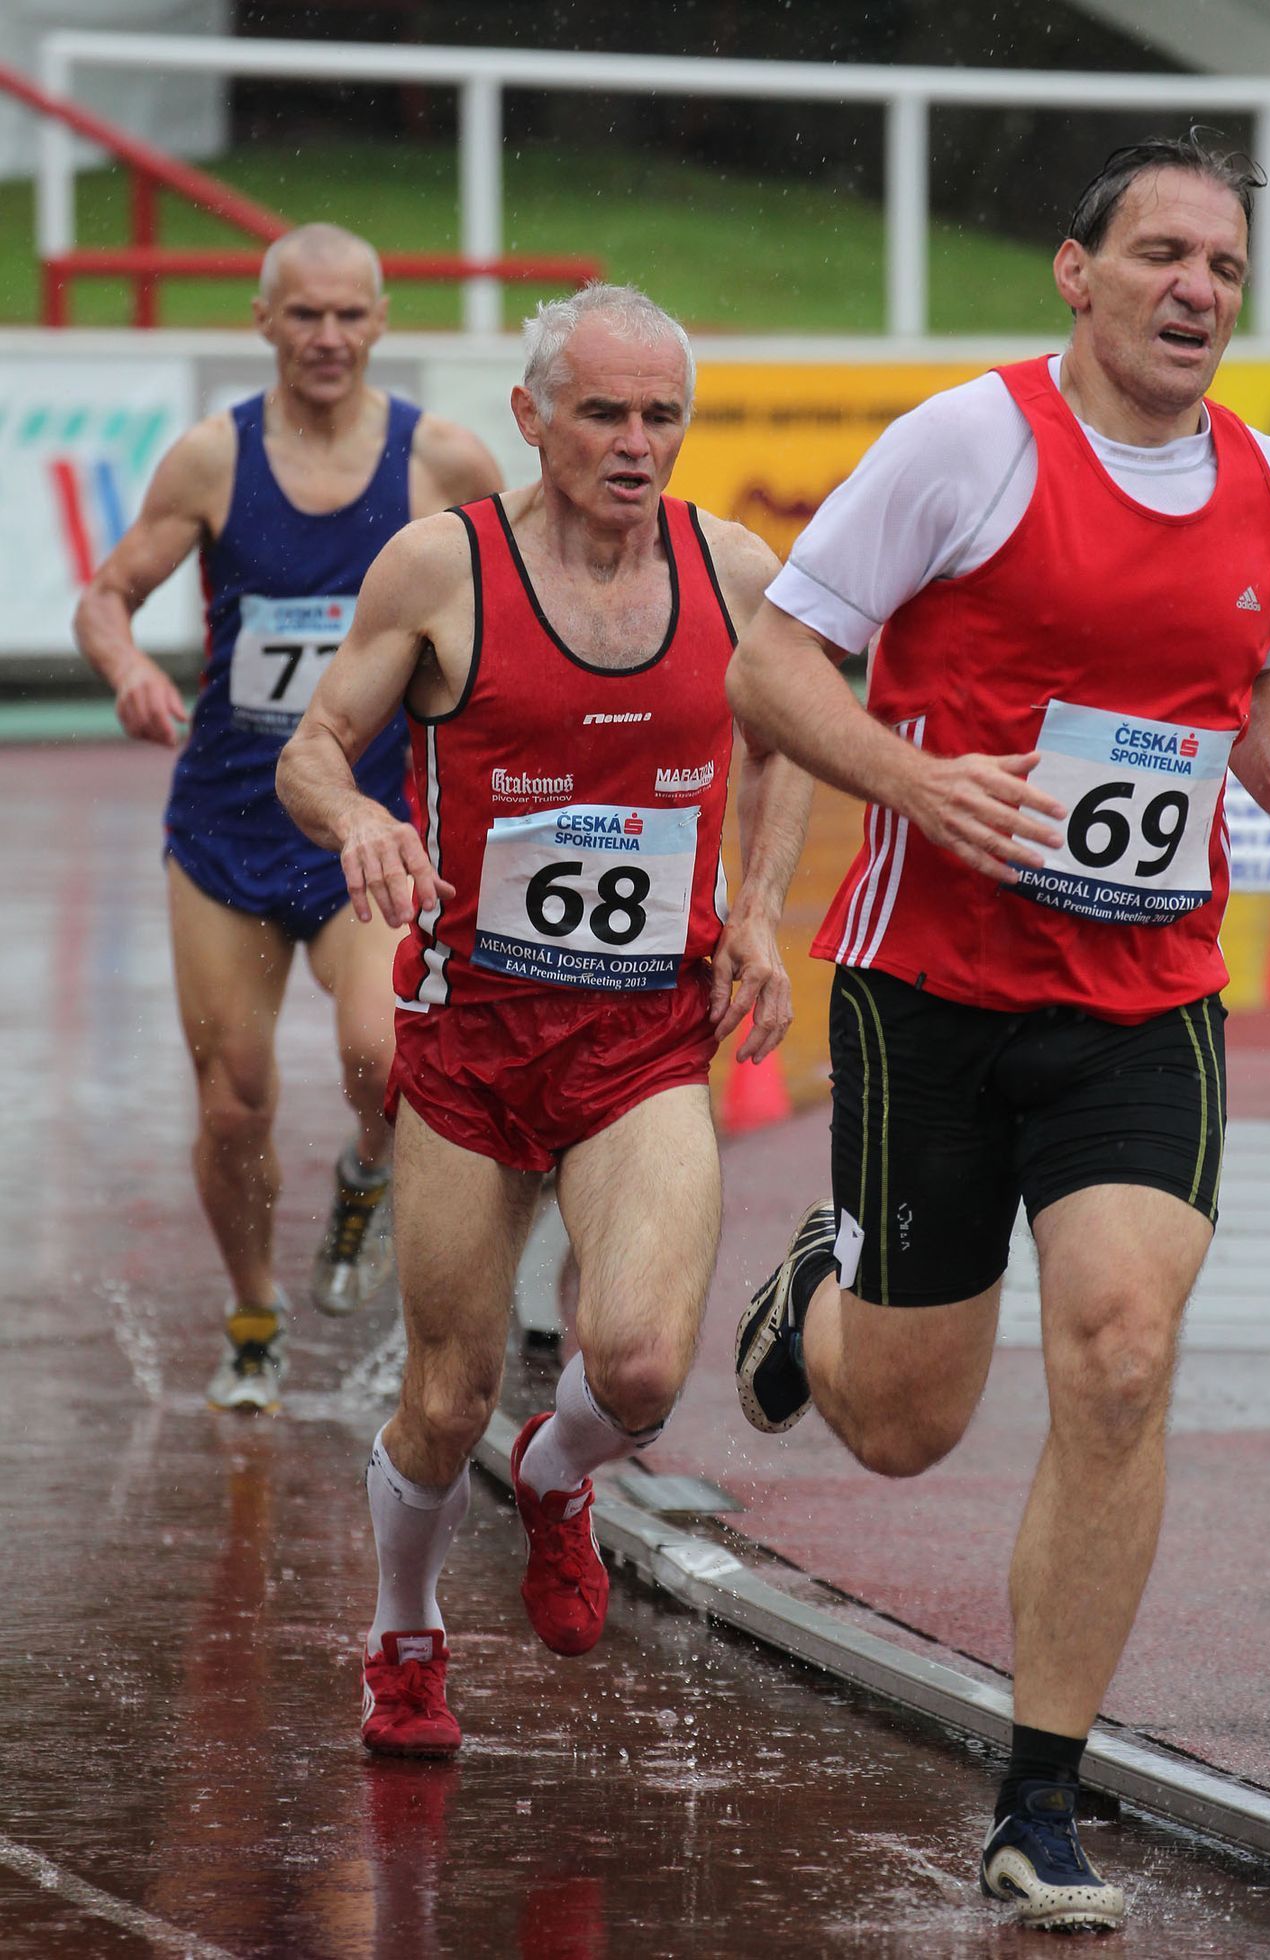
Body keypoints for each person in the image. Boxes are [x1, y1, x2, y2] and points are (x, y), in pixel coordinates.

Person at [727, 135, 1270, 1934]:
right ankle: (817, 1292)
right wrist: (917, 782)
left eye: (1222, 262)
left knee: (1121, 1356)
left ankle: (1037, 1801)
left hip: (1146, 1005)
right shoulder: (966, 445)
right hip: (935, 994)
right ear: (1078, 271)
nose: (1194, 288)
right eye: (1159, 254)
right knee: (902, 1427)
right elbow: (774, 664)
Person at [276, 282, 812, 1757]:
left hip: (641, 1042)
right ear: (530, 418)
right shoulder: (439, 571)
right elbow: (312, 750)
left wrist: (756, 907)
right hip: (469, 1041)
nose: (636, 444)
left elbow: (791, 740)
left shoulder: (733, 574)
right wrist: (360, 822)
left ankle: (563, 1471)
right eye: (602, 414)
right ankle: (403, 1635)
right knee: (442, 1400)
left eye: (660, 417)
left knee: (637, 1366)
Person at [73, 222, 502, 1413]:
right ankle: (253, 1315)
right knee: (233, 1097)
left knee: (382, 1057)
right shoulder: (214, 460)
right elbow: (108, 594)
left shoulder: (443, 462)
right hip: (223, 830)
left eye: (348, 315)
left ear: (381, 318)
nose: (326, 338)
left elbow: (518, 594)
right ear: (263, 322)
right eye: (302, 315)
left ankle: (366, 1175)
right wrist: (125, 669)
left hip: (365, 825)